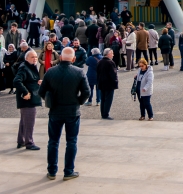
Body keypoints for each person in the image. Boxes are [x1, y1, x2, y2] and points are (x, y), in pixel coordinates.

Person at [38, 46, 89, 180]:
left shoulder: (50, 72)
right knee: (71, 141)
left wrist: (49, 100)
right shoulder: (79, 72)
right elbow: (87, 92)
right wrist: (78, 101)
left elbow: (41, 91)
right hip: (72, 111)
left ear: (60, 57)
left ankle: (52, 171)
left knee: (53, 141)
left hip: (55, 111)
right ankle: (68, 171)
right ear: (74, 59)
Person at [13, 49, 42, 150]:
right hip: (27, 99)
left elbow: (28, 80)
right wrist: (25, 92)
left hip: (30, 99)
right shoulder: (24, 67)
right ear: (26, 58)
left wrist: (36, 82)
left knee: (24, 121)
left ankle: (21, 141)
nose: (35, 59)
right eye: (32, 57)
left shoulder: (30, 67)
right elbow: (17, 81)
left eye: (36, 57)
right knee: (29, 122)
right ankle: (29, 143)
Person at [95, 49, 118, 119]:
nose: (113, 55)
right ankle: (106, 114)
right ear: (108, 54)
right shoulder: (110, 63)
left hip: (101, 83)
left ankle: (103, 114)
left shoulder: (100, 62)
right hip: (109, 84)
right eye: (112, 53)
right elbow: (113, 74)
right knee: (108, 100)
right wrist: (116, 82)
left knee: (103, 99)